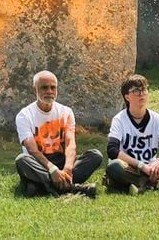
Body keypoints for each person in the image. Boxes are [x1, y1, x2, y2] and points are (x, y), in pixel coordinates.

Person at [14, 70, 102, 198]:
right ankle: (72, 187)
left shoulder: (66, 112)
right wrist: (52, 170)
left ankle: (40, 186)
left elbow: (70, 144)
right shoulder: (24, 115)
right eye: (44, 87)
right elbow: (32, 150)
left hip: (61, 160)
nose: (49, 91)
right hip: (39, 163)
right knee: (22, 160)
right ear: (35, 90)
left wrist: (68, 168)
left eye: (53, 87)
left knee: (95, 155)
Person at [105, 74, 159, 194]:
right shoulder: (119, 119)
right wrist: (142, 166)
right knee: (115, 166)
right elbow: (112, 151)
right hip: (132, 168)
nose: (141, 94)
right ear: (127, 97)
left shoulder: (156, 119)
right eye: (136, 91)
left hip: (153, 168)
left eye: (144, 89)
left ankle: (142, 184)